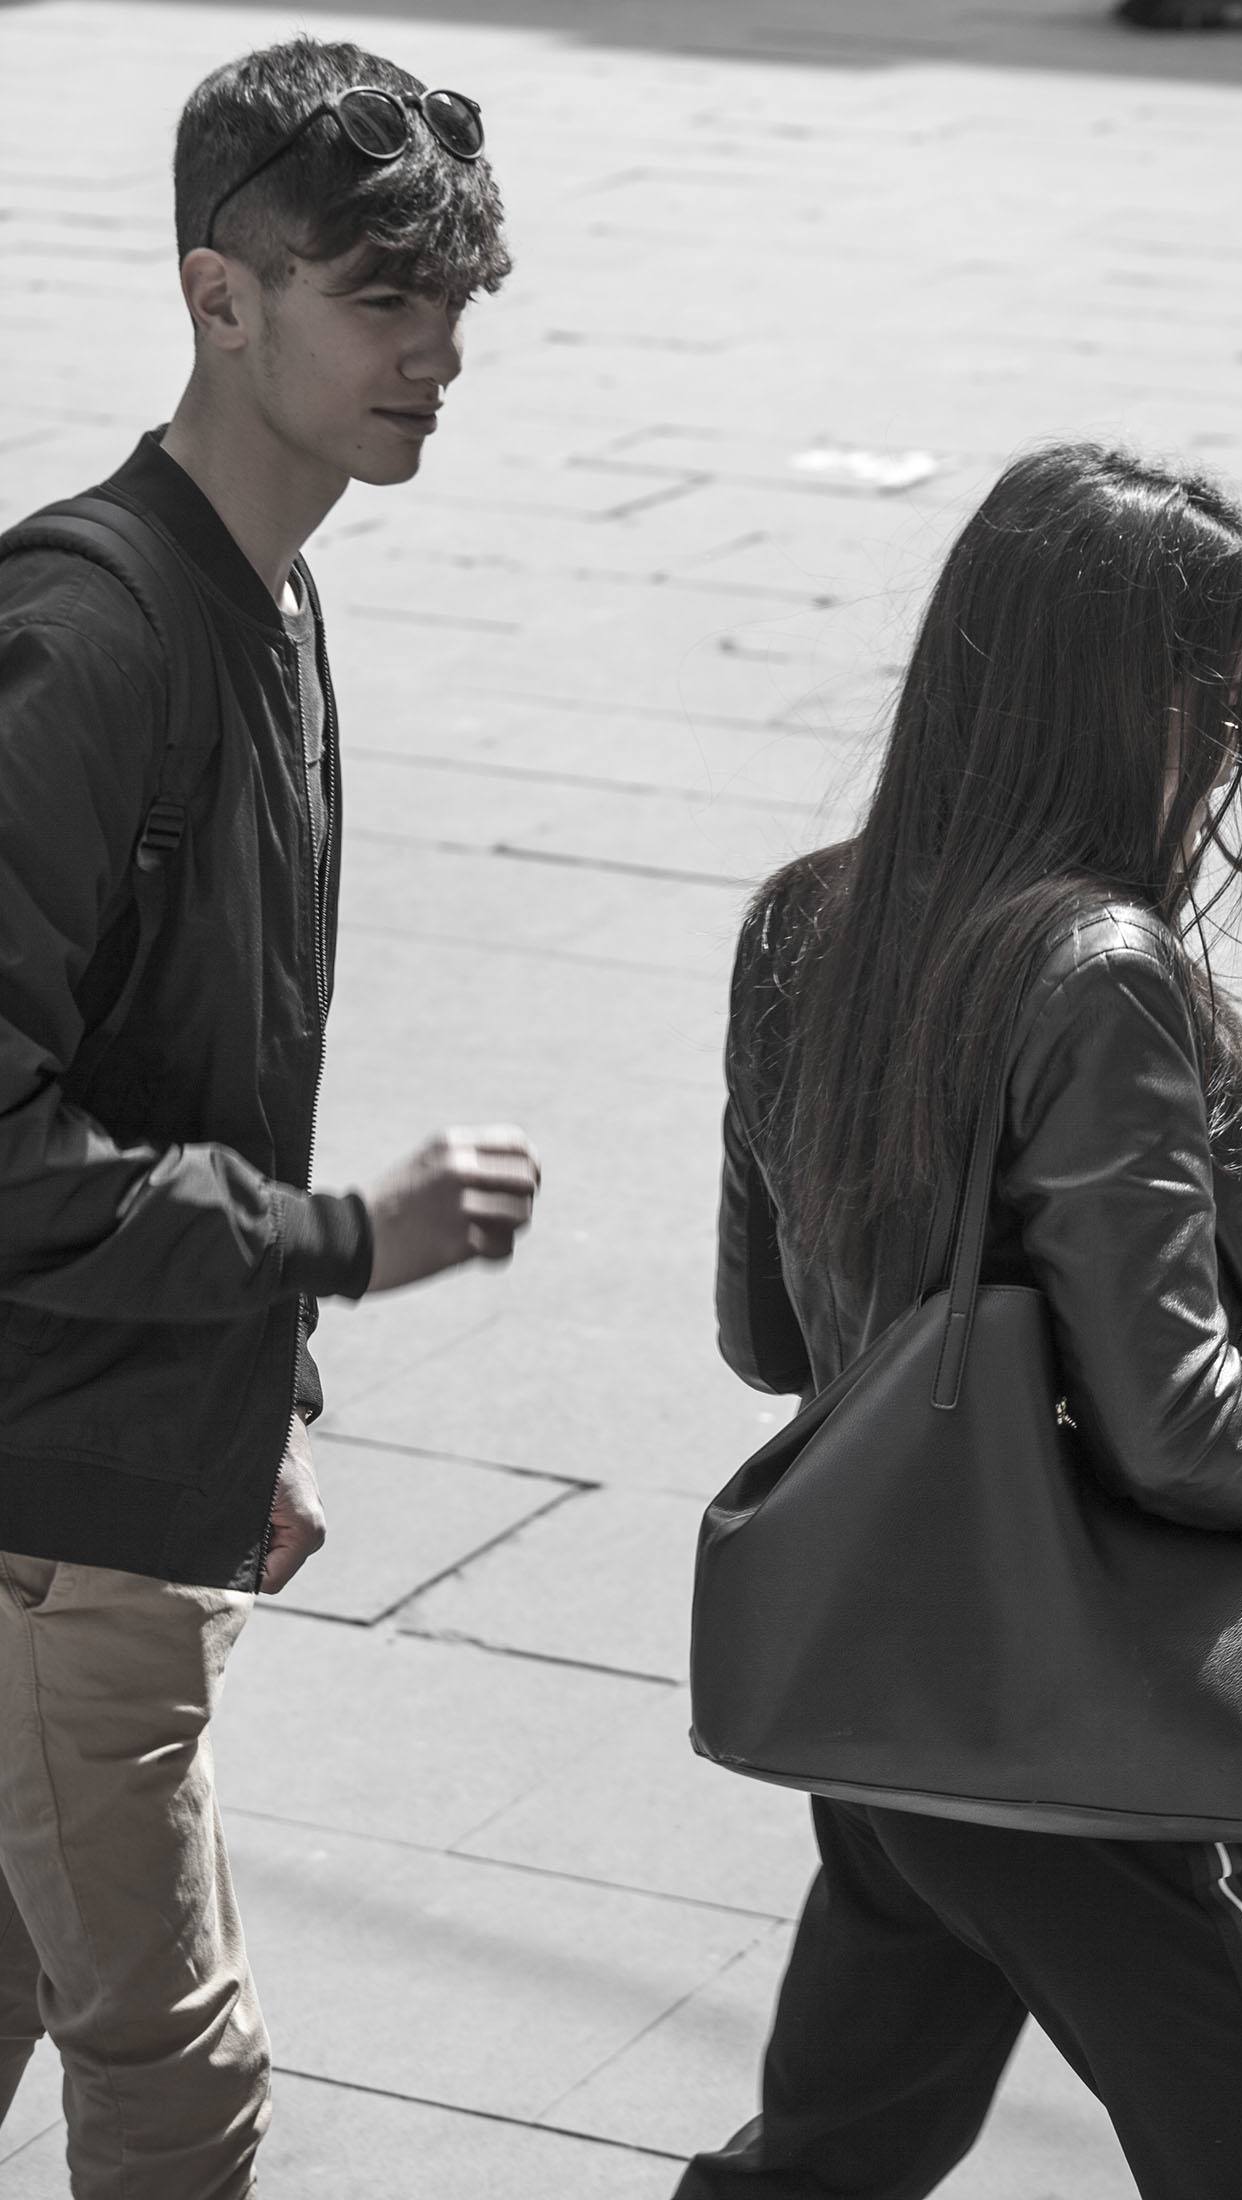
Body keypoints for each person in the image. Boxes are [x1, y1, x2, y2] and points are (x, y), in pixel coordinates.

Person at [680, 445, 1242, 2200]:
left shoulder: (803, 921)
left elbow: (771, 1335)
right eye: (1232, 706)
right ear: (1151, 710)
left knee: (827, 2164)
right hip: (1104, 1753)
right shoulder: (1099, 967)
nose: (1240, 755)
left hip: (891, 1719)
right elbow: (1179, 1424)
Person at [0, 36, 537, 2199]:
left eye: (460, 301)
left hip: (131, 1458)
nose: (439, 353)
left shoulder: (278, 594)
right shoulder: (95, 628)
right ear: (223, 295)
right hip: (56, 1503)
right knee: (177, 2065)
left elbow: (186, 1053)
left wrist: (266, 1381)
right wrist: (326, 1240)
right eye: (384, 294)